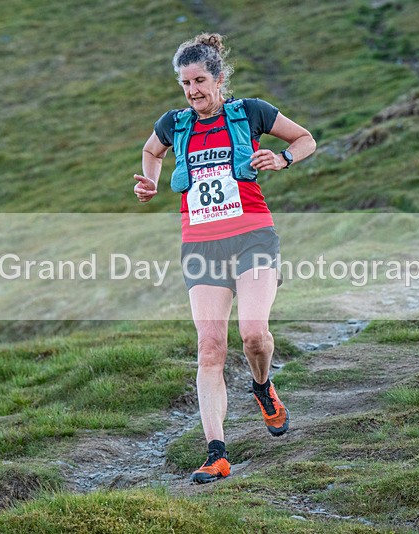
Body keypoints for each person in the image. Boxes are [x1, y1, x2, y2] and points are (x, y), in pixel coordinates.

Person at [133, 33, 315, 484]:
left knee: (254, 336)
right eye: (184, 83)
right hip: (201, 247)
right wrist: (151, 182)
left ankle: (262, 387)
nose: (192, 90)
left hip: (253, 238)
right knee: (210, 349)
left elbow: (306, 138)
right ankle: (216, 453)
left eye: (199, 80)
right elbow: (150, 151)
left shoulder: (249, 111)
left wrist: (284, 158)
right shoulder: (173, 124)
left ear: (218, 78)